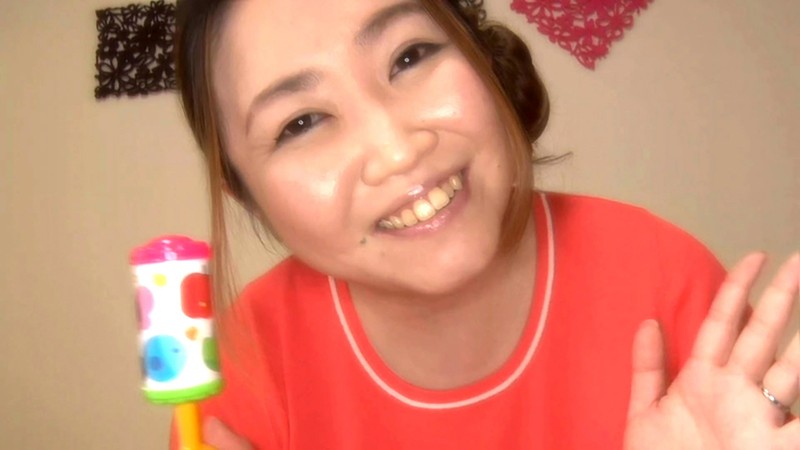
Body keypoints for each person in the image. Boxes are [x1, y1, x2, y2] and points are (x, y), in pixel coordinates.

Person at [171, 0, 800, 448]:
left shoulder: (667, 284)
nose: (397, 150)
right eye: (300, 123)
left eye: (409, 56)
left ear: (479, 57)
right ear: (243, 191)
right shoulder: (232, 385)